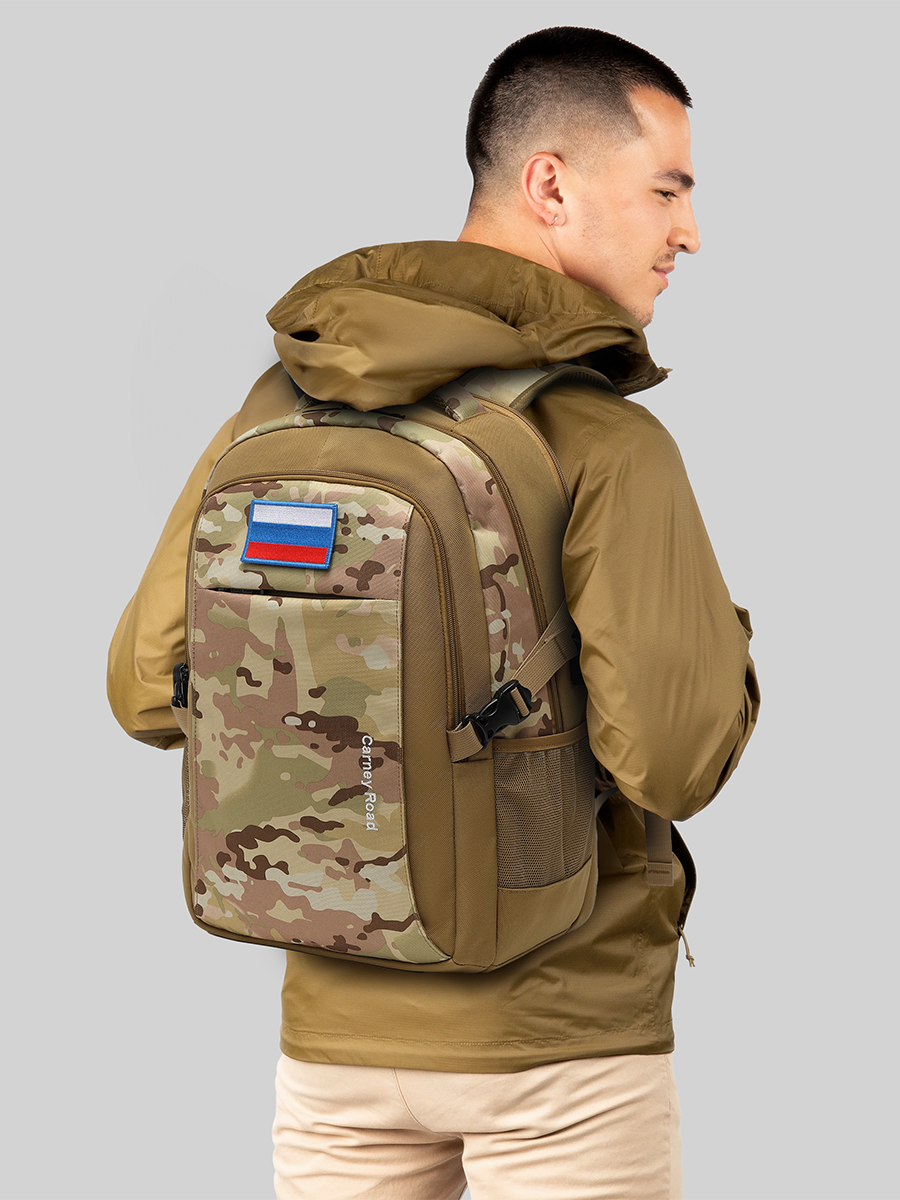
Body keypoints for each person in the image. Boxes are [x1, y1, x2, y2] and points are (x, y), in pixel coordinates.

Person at [108, 26, 759, 1200]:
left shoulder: (278, 407)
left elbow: (145, 690)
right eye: (668, 189)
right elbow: (670, 761)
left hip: (334, 1050)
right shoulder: (606, 441)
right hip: (562, 1053)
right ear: (550, 184)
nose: (690, 233)